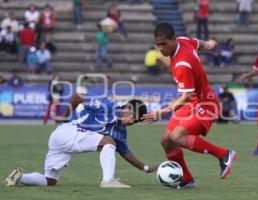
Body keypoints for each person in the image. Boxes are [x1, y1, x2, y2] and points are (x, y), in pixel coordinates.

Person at [142, 23, 237, 189]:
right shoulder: (183, 41)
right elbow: (198, 43)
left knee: (176, 137)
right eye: (158, 45)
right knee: (166, 141)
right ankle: (186, 180)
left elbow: (185, 97)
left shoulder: (182, 65)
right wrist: (208, 44)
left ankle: (224, 155)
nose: (161, 49)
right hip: (194, 103)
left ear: (173, 39)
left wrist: (162, 112)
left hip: (206, 104)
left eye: (164, 44)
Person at [5, 94, 157, 188]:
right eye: (133, 117)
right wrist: (64, 116)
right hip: (68, 131)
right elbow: (78, 96)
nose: (131, 122)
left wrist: (146, 168)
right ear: (127, 107)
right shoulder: (106, 105)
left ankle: (19, 177)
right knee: (109, 144)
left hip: (65, 140)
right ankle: (108, 181)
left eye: (135, 122)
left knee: (49, 181)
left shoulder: (120, 131)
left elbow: (125, 152)